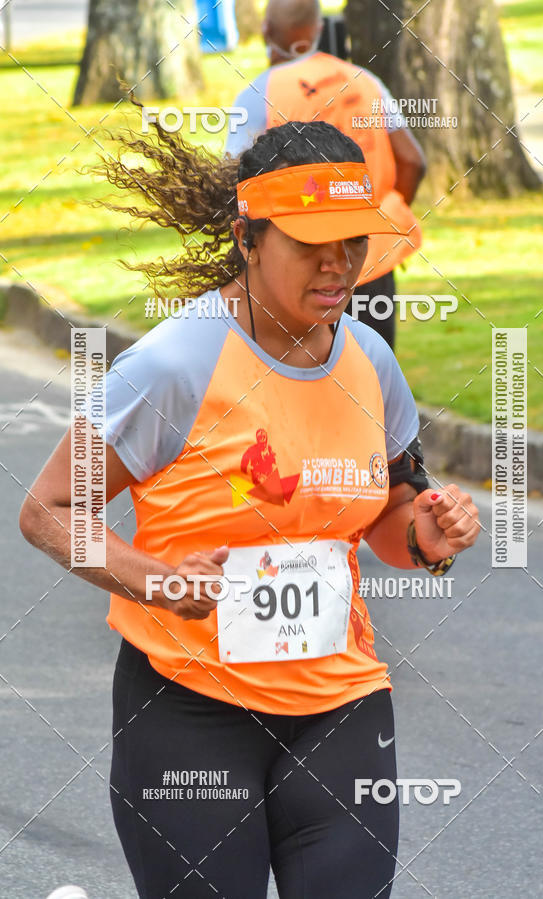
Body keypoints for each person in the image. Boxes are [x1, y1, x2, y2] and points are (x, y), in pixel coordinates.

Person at [20, 120, 479, 899]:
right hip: (189, 707)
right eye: (310, 243)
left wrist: (427, 535)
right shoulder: (176, 364)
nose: (338, 265)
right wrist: (157, 579)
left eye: (353, 242)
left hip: (341, 704)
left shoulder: (371, 361)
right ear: (247, 237)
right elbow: (49, 509)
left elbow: (390, 517)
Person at [225, 0, 427, 349]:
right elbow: (412, 160)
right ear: (318, 29)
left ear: (265, 32)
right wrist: (380, 222)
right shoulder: (366, 82)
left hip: (299, 265)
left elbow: (231, 185)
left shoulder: (259, 95)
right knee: (373, 376)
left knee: (302, 377)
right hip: (370, 258)